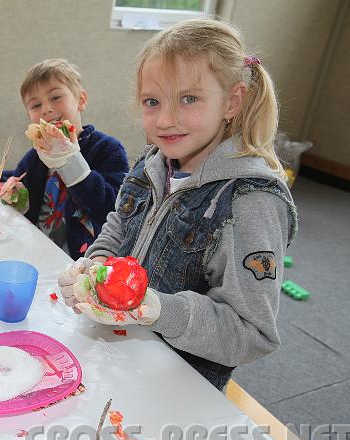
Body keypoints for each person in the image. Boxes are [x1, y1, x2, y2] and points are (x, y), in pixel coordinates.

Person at [59, 19, 297, 391]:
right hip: (117, 356)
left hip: (179, 386)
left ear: (232, 102)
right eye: (152, 102)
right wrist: (97, 268)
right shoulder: (152, 162)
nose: (166, 120)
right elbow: (118, 226)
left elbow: (251, 332)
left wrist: (159, 309)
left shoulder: (251, 201)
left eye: (189, 98)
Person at [2, 59, 129, 260]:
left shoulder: (108, 149)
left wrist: (71, 162)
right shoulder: (35, 156)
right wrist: (12, 191)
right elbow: (19, 186)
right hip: (37, 250)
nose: (46, 109)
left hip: (83, 258)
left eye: (55, 97)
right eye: (36, 105)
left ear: (81, 100)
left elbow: (112, 209)